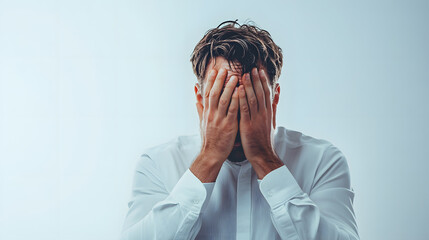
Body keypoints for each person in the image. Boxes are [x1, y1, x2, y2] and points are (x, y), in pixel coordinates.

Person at [120, 20, 359, 240]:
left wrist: (266, 159)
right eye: (223, 97)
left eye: (251, 100)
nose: (236, 117)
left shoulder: (322, 161)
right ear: (201, 101)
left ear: (273, 100)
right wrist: (209, 157)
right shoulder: (157, 164)